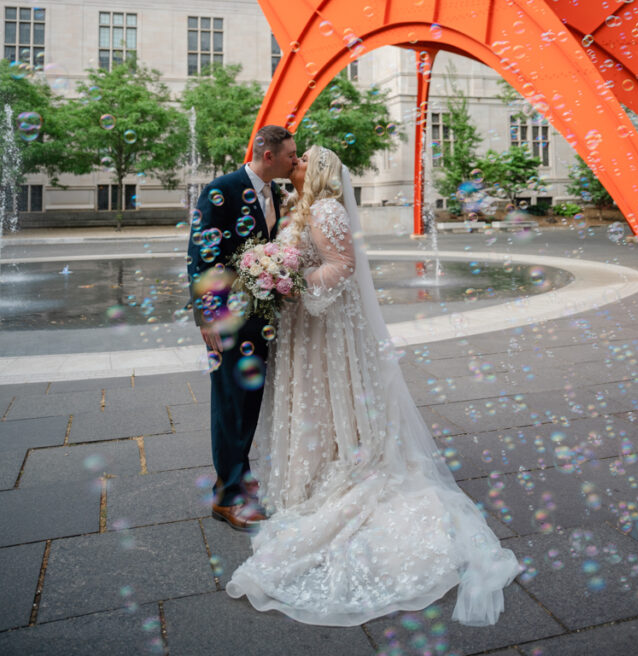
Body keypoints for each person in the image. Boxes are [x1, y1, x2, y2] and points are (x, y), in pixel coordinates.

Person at [226, 144, 522, 626]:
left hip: (326, 325)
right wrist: (274, 272)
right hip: (305, 323)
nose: (294, 164)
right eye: (292, 158)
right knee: (310, 398)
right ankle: (315, 464)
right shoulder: (301, 206)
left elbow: (342, 265)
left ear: (318, 172)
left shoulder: (325, 208)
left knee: (329, 393)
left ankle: (343, 461)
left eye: (302, 161)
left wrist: (293, 283)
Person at [187, 124, 298, 531]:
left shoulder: (276, 195)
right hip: (229, 316)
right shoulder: (224, 188)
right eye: (290, 154)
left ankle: (239, 476)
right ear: (268, 155)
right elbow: (201, 254)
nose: (294, 160)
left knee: (248, 401)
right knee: (230, 404)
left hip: (258, 316)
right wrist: (207, 315)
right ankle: (226, 497)